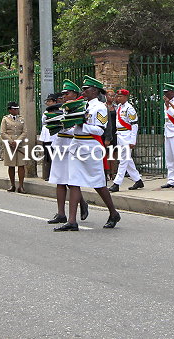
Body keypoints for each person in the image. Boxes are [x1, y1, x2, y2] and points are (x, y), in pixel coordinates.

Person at [54, 75, 121, 231]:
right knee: (73, 181)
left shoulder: (100, 107)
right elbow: (75, 127)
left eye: (86, 89)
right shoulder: (82, 105)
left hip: (91, 147)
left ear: (95, 91)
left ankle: (113, 213)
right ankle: (72, 221)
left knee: (98, 184)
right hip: (77, 145)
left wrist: (81, 124)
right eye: (83, 89)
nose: (83, 92)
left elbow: (99, 130)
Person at [47, 80, 89, 224]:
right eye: (64, 94)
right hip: (60, 146)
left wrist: (66, 125)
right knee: (59, 180)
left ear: (75, 94)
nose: (64, 96)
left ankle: (81, 204)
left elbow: (80, 128)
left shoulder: (82, 108)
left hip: (73, 146)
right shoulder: (63, 108)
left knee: (72, 181)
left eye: (68, 93)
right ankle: (61, 213)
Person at [108, 88, 143, 192]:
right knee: (128, 160)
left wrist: (133, 140)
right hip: (120, 135)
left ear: (126, 97)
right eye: (117, 96)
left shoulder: (129, 108)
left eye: (120, 96)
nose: (118, 98)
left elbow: (134, 124)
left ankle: (117, 183)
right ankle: (138, 180)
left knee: (123, 160)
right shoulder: (119, 107)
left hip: (127, 136)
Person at [0, 101, 27, 193]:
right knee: (11, 165)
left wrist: (18, 141)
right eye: (14, 109)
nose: (16, 111)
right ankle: (12, 185)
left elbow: (24, 132)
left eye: (17, 109)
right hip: (9, 145)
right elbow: (3, 132)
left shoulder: (22, 119)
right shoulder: (5, 119)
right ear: (10, 110)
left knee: (21, 165)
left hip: (20, 144)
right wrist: (11, 141)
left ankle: (21, 186)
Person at [40, 93, 58, 181]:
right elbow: (44, 122)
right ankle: (50, 174)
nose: (48, 103)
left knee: (54, 156)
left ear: (55, 102)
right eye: (47, 101)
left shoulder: (58, 111)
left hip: (54, 137)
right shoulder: (46, 112)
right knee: (48, 156)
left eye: (50, 101)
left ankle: (55, 174)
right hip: (46, 137)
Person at [103, 89, 118, 180]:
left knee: (114, 153)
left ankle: (113, 172)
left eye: (113, 96)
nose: (112, 98)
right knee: (107, 153)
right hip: (107, 131)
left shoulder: (116, 107)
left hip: (115, 131)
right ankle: (107, 172)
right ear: (106, 96)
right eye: (110, 95)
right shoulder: (103, 106)